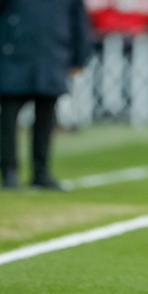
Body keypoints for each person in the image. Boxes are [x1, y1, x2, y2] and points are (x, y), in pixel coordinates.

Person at [0, 0, 92, 189]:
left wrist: (79, 57)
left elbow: (78, 22)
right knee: (8, 119)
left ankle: (41, 172)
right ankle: (9, 172)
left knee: (46, 118)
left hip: (51, 56)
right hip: (14, 55)